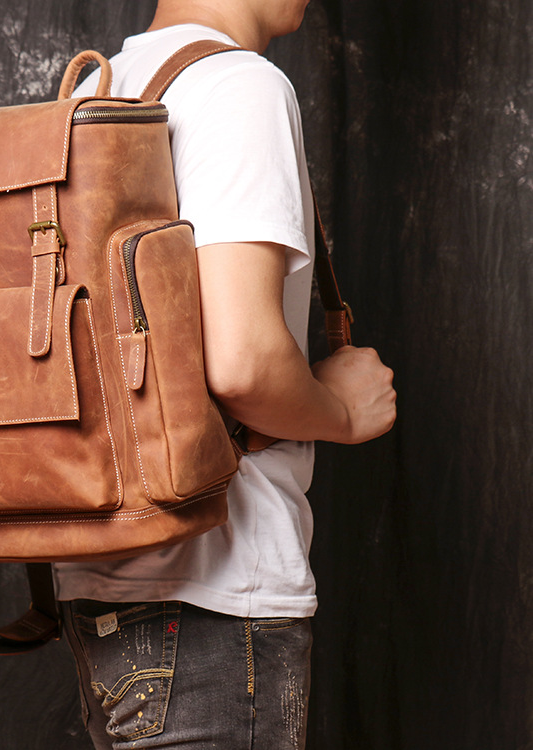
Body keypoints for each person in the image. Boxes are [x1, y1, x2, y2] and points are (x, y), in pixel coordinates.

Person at [52, 1, 397, 747]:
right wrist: (342, 411)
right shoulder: (239, 85)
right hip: (215, 598)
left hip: (101, 588)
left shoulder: (98, 87)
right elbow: (242, 363)